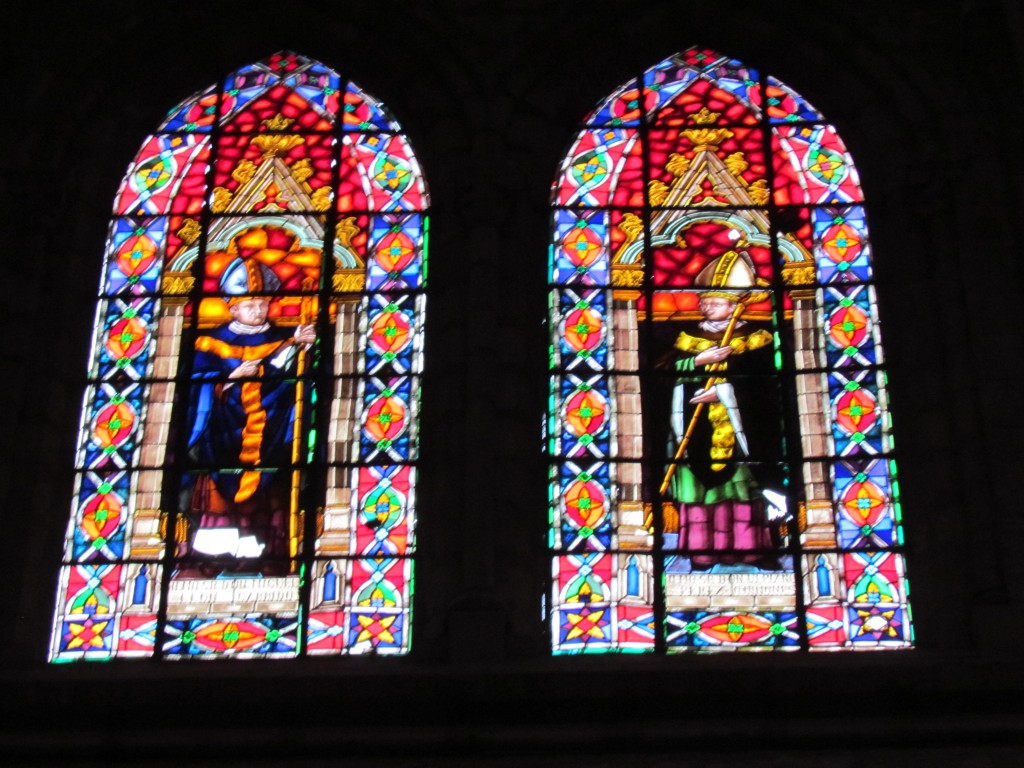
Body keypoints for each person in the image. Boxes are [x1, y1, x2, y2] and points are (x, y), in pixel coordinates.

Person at [183, 255, 315, 574]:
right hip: (223, 434)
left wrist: (305, 350)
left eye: (262, 304)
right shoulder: (211, 343)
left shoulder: (286, 338)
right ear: (232, 307)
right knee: (220, 494)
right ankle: (215, 556)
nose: (258, 311)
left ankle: (270, 553)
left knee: (271, 494)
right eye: (249, 305)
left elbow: (294, 383)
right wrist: (228, 381)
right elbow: (194, 385)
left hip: (271, 433)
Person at [663, 249, 786, 571]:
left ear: (734, 306)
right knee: (700, 493)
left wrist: (724, 392)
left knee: (742, 491)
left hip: (742, 432)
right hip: (694, 428)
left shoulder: (757, 340)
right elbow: (659, 374)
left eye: (715, 303)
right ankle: (702, 552)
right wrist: (696, 363)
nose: (705, 307)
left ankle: (748, 550)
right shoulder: (687, 338)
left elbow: (766, 388)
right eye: (704, 301)